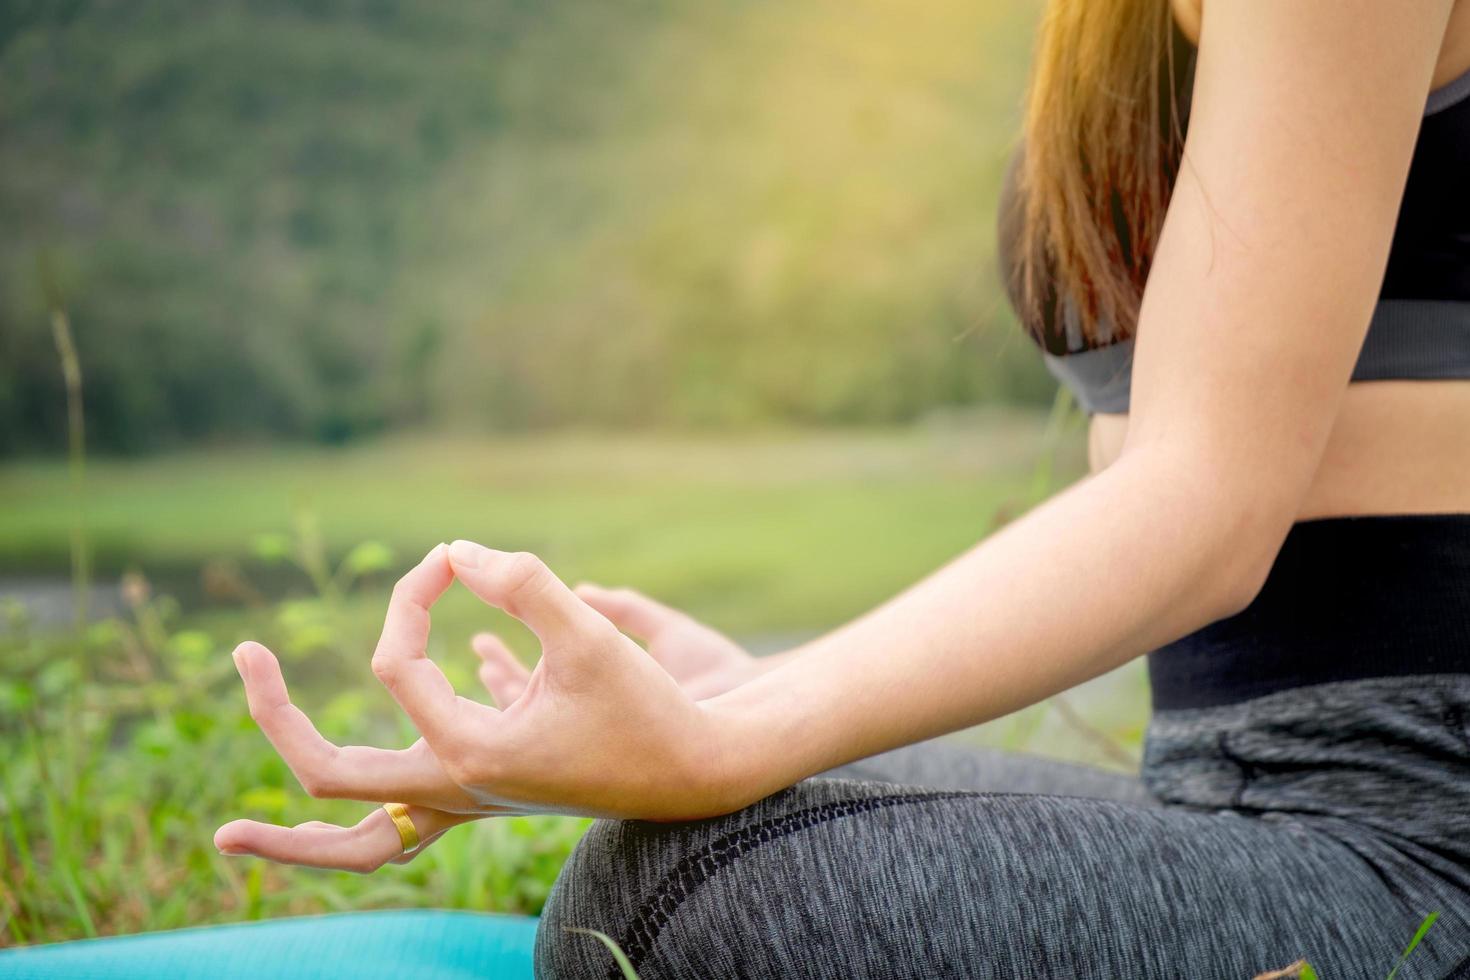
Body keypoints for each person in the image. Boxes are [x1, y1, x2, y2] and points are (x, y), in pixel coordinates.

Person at [214, 0, 1470, 975]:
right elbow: (1151, 471)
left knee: (674, 905)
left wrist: (725, 741)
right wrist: (751, 689)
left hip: (1424, 825)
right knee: (679, 854)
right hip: (1221, 782)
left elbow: (1207, 503)